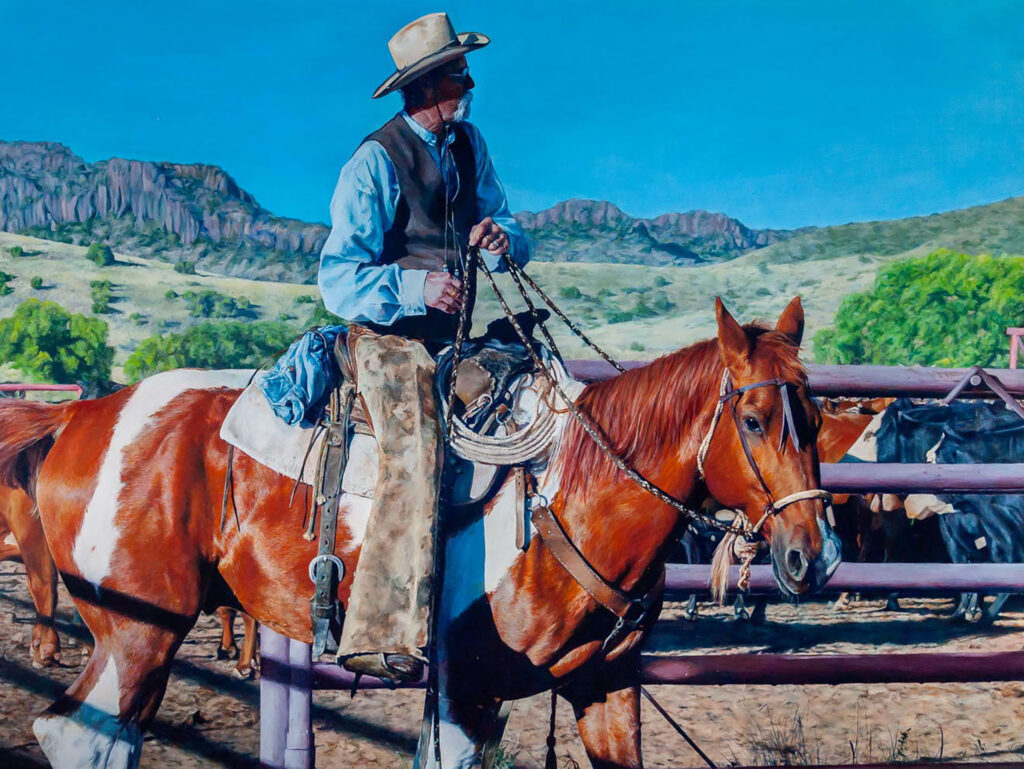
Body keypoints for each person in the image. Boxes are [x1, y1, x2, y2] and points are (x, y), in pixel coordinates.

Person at [317, 12, 529, 683]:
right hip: (386, 340)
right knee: (415, 447)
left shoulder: (471, 145)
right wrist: (415, 287)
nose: (468, 82)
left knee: (541, 405)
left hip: (456, 337)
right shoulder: (374, 161)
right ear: (424, 87)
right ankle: (382, 634)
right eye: (457, 73)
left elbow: (512, 226)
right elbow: (337, 277)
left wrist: (503, 239)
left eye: (463, 72)